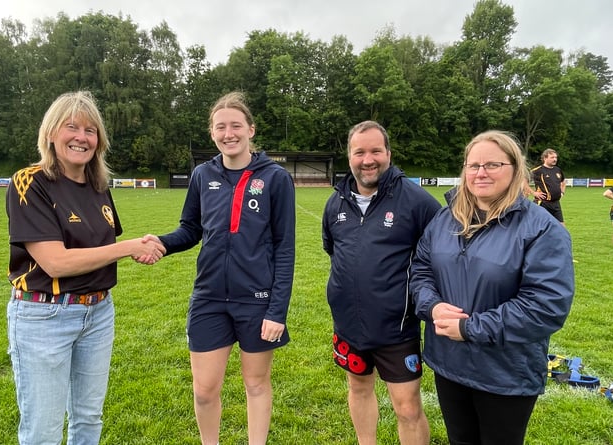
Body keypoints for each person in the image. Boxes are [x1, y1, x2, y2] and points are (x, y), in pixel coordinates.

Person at [6, 91, 166, 445]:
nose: (82, 137)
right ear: (51, 133)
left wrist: (140, 248)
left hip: (97, 313)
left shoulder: (99, 187)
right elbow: (55, 262)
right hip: (43, 316)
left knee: (88, 417)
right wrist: (128, 248)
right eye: (72, 127)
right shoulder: (31, 182)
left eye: (90, 130)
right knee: (43, 431)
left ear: (99, 140)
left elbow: (103, 248)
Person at [145, 91, 295, 445]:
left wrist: (277, 310)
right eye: (220, 127)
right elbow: (191, 229)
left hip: (257, 300)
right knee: (204, 391)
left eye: (236, 126)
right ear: (212, 132)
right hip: (209, 298)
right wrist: (161, 244)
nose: (229, 133)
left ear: (251, 130)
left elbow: (285, 248)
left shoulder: (274, 178)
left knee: (256, 385)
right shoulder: (202, 175)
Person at [410, 131, 575, 445]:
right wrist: (431, 306)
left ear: (514, 169)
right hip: (449, 362)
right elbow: (421, 271)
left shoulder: (542, 229)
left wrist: (470, 328)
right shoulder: (445, 219)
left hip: (505, 372)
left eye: (492, 164)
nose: (480, 172)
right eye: (473, 166)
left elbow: (545, 306)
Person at [322, 120, 440, 445]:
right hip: (348, 325)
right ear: (349, 157)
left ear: (388, 153)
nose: (368, 159)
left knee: (407, 408)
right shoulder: (336, 203)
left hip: (396, 330)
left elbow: (442, 255)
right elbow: (334, 251)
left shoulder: (417, 202)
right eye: (359, 152)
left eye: (376, 150)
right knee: (358, 389)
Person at [526, 148, 566, 225]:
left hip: (556, 204)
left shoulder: (558, 170)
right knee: (539, 227)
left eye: (556, 157)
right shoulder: (537, 171)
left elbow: (563, 182)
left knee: (562, 228)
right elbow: (523, 181)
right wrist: (533, 193)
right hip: (543, 204)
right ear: (545, 158)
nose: (555, 159)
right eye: (552, 157)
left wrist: (562, 192)